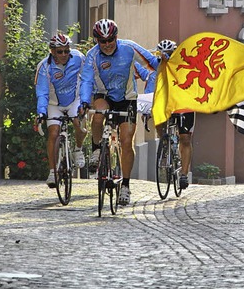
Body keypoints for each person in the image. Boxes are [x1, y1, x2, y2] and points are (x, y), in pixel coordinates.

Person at [80, 18, 159, 206]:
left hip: (127, 99)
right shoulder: (92, 56)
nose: (107, 45)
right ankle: (97, 149)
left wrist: (167, 61)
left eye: (110, 40)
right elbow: (86, 81)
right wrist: (84, 102)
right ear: (96, 41)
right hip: (104, 95)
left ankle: (125, 185)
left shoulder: (129, 48)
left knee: (126, 140)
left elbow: (154, 63)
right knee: (98, 113)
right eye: (102, 41)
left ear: (116, 37)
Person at [34, 32, 87, 188]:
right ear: (52, 51)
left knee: (79, 124)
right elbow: (42, 92)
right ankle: (52, 171)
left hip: (74, 100)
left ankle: (78, 149)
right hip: (54, 103)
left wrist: (85, 101)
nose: (64, 54)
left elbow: (87, 79)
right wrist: (41, 112)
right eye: (60, 51)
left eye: (66, 50)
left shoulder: (78, 58)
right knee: (53, 133)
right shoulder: (45, 66)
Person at [153, 39, 194, 190]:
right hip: (167, 105)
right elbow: (152, 87)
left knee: (185, 138)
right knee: (158, 119)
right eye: (163, 54)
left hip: (184, 105)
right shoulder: (156, 67)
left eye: (169, 54)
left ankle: (183, 174)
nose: (166, 57)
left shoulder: (184, 66)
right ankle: (164, 144)